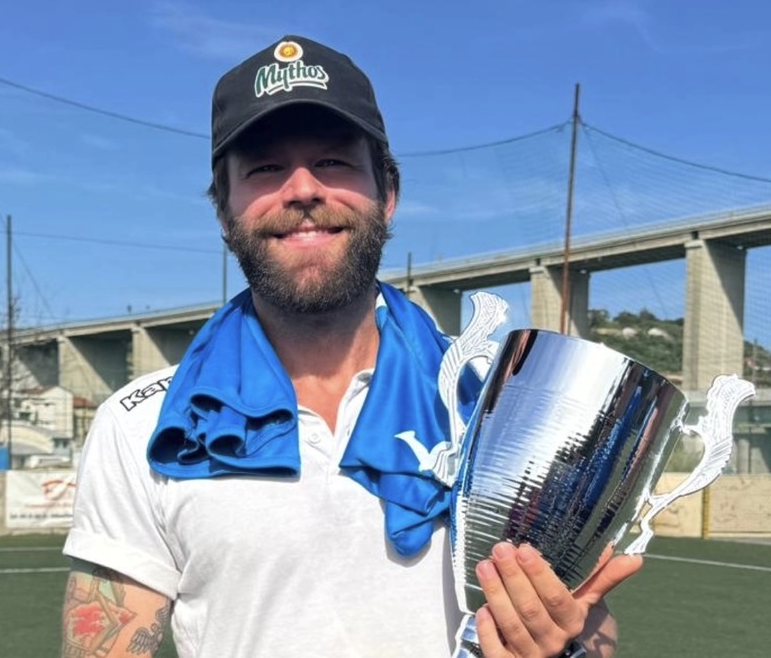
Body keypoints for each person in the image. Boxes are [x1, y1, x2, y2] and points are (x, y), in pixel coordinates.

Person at [60, 35, 642, 658]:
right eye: (264, 168)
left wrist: (566, 647)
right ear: (225, 213)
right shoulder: (143, 423)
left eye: (334, 162)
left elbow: (587, 623)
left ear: (387, 196)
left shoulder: (493, 401)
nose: (303, 189)